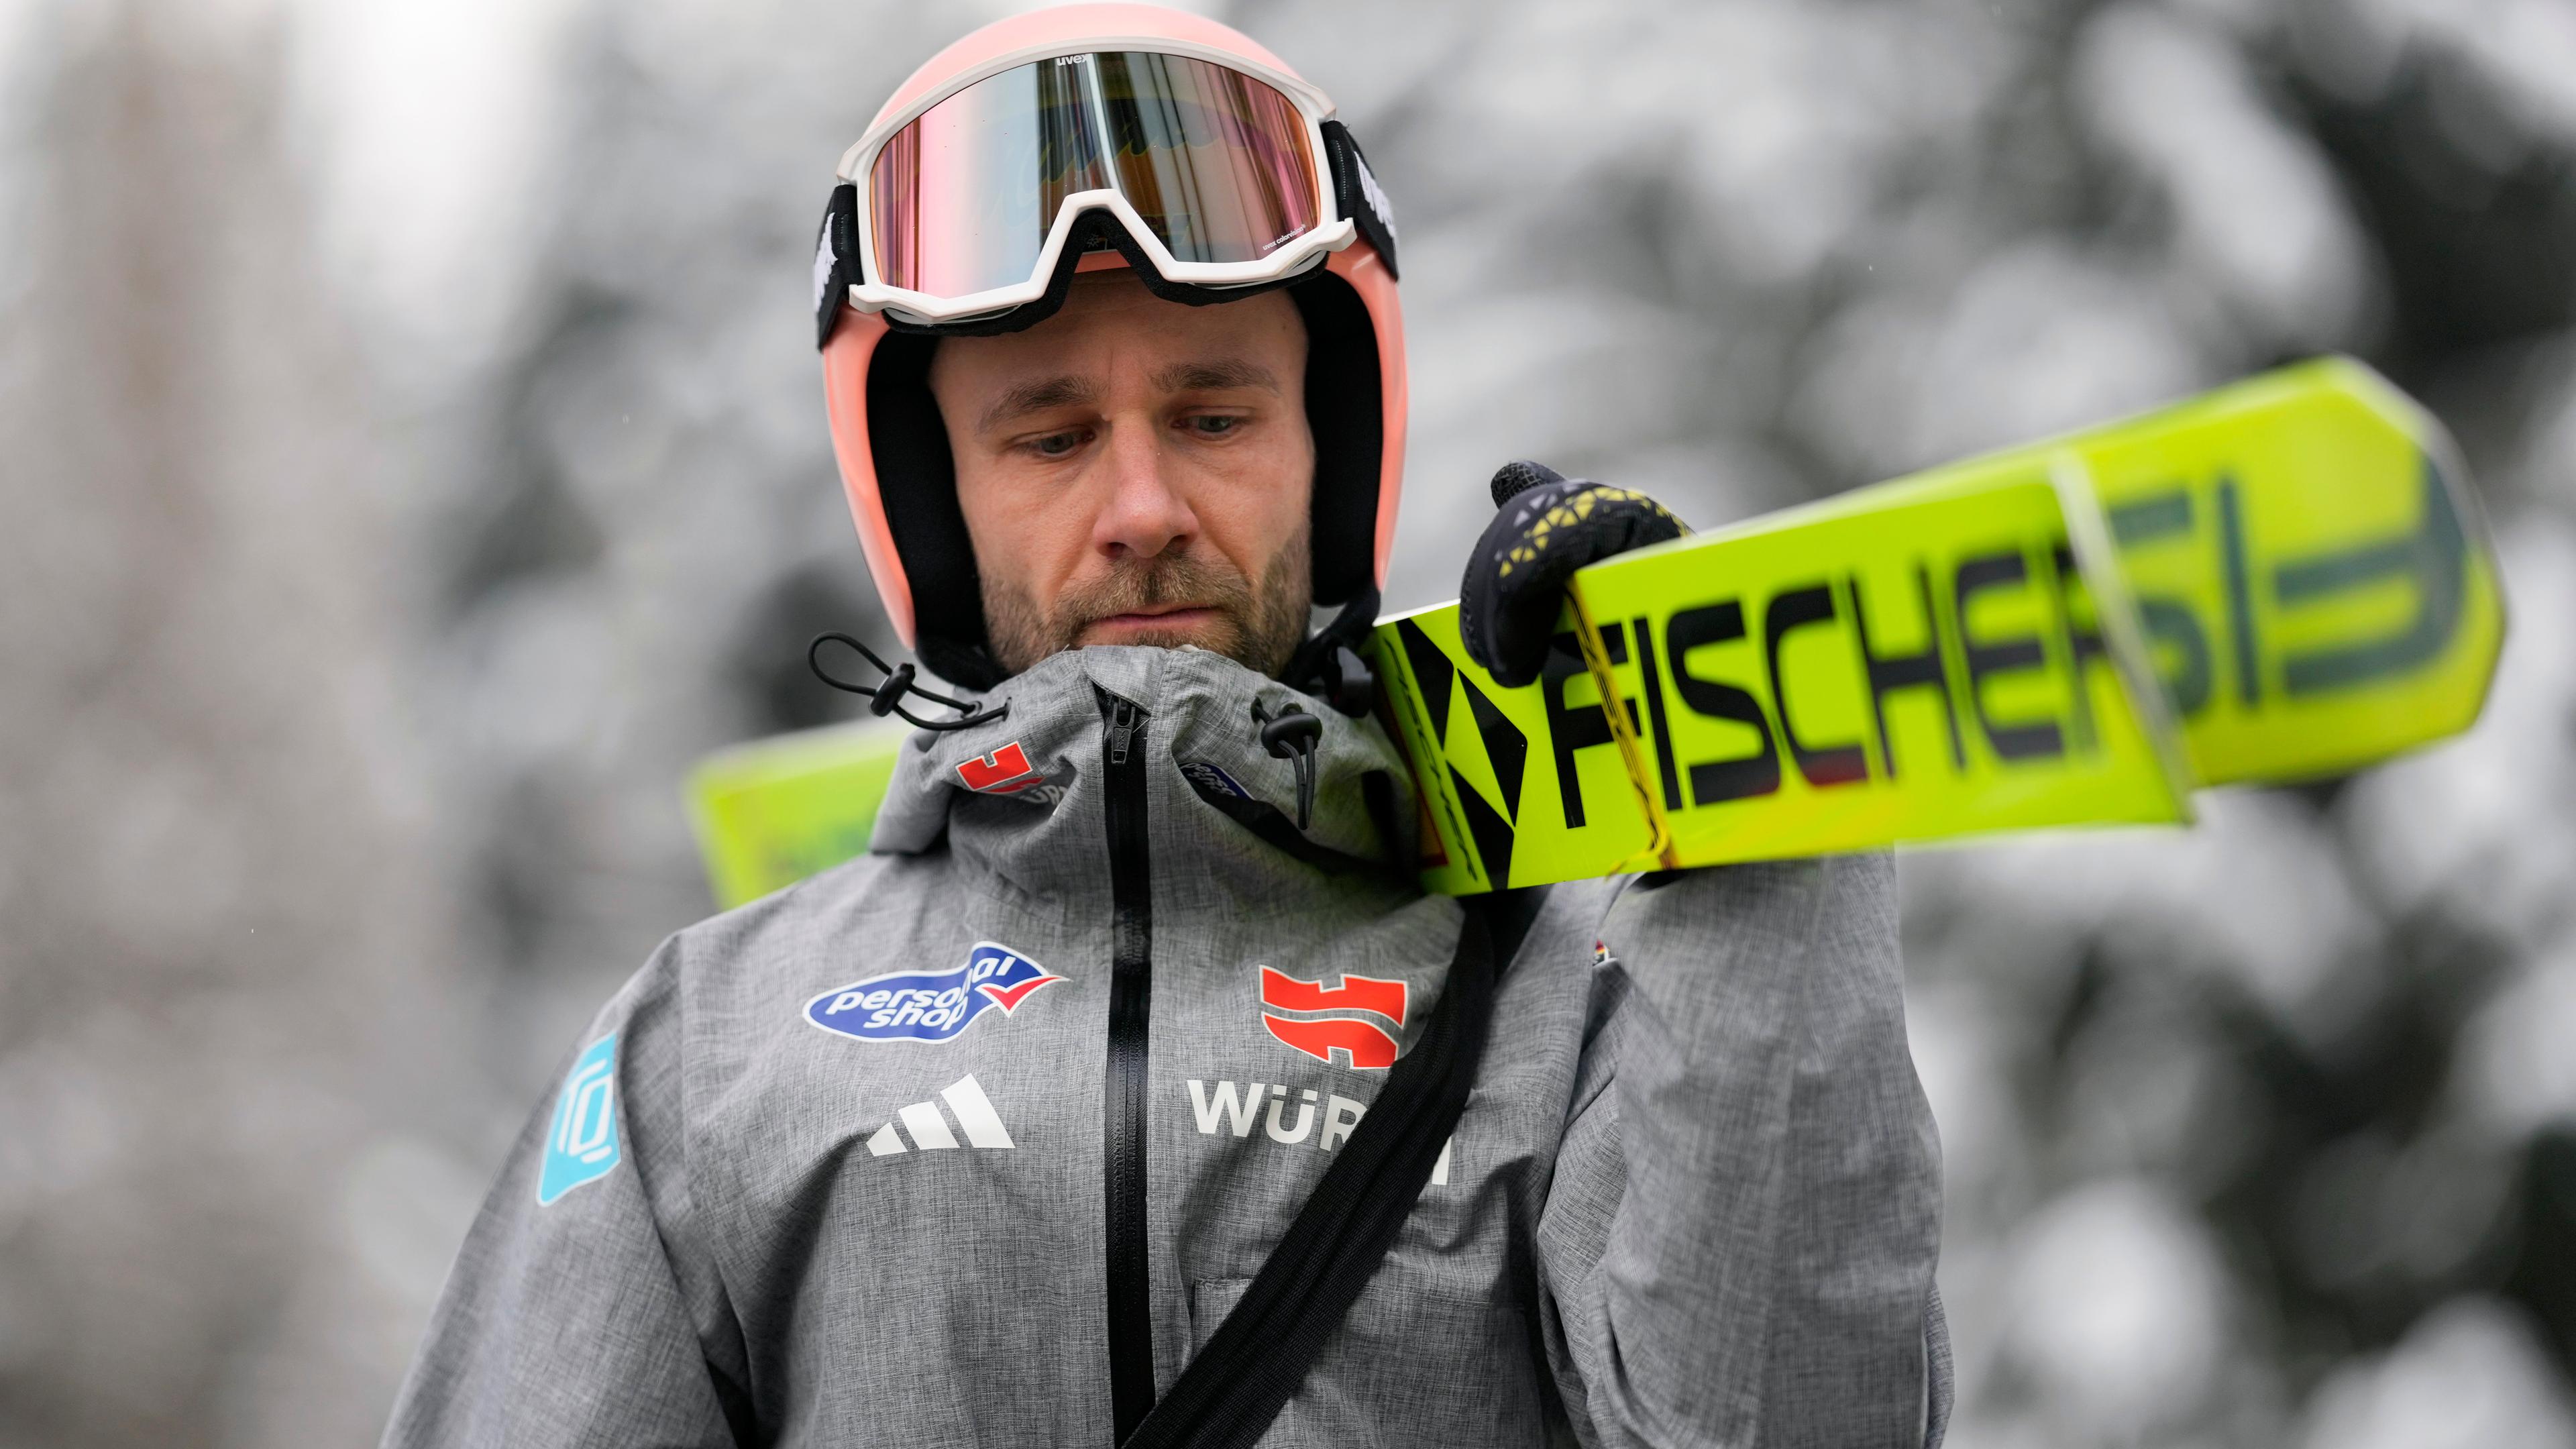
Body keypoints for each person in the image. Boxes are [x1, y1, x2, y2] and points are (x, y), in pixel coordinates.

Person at [382, 6, 1947, 1447]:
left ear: (1324, 463)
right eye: (1051, 436)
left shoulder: (1561, 999)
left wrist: (1739, 793)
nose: (1141, 509)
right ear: (936, 512)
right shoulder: (703, 1047)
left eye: (1212, 418)